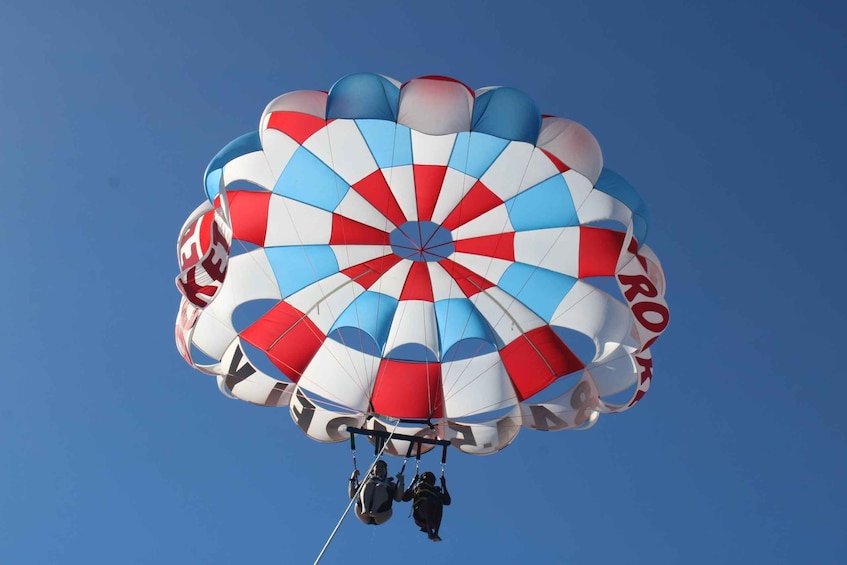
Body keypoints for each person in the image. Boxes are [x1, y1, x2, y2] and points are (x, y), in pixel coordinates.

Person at [348, 460, 405, 525]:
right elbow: (352, 495)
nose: (380, 468)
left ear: (385, 470)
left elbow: (398, 498)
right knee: (368, 485)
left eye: (382, 467)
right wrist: (352, 478)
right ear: (373, 470)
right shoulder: (365, 481)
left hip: (382, 512)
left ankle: (373, 511)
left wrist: (401, 482)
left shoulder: (390, 484)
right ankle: (365, 508)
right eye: (377, 466)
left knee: (380, 487)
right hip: (361, 509)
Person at [402, 471, 451, 542]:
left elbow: (447, 501)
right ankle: (430, 532)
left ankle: (436, 532)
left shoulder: (435, 491)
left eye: (429, 477)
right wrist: (413, 482)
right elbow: (405, 498)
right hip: (420, 515)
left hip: (433, 518)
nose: (426, 477)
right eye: (424, 476)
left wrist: (443, 485)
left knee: (438, 502)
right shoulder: (418, 488)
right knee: (430, 501)